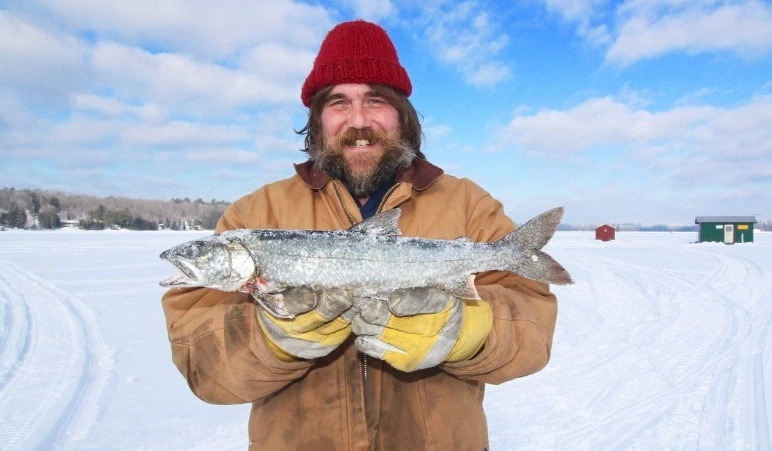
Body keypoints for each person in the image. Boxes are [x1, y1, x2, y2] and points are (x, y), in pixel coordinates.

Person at [161, 19, 558, 450]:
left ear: (403, 114)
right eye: (338, 102)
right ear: (316, 119)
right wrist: (268, 340)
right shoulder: (254, 213)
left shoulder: (467, 203)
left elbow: (534, 331)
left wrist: (470, 332)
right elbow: (202, 369)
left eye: (375, 99)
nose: (359, 120)